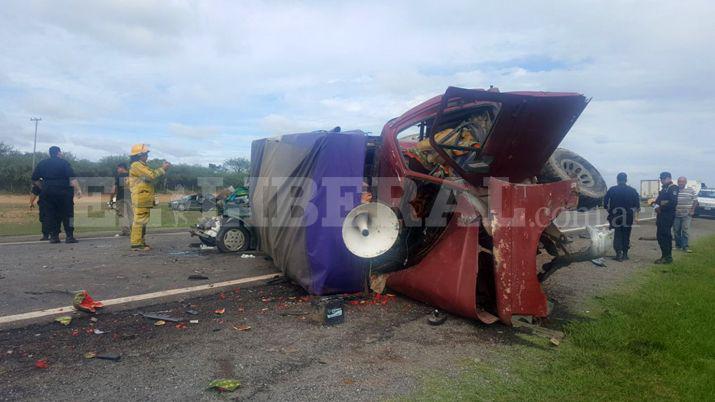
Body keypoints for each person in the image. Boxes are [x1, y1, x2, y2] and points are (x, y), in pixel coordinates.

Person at [31, 146, 82, 243]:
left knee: (51, 214)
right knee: (68, 214)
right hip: (64, 192)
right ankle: (69, 236)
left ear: (50, 153)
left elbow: (34, 179)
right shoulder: (64, 163)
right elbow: (72, 178)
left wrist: (43, 187)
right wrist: (78, 190)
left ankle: (54, 237)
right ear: (59, 153)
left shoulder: (42, 163)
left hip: (47, 192)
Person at [128, 144, 170, 250]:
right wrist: (163, 169)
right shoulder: (136, 165)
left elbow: (150, 178)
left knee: (143, 220)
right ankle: (136, 244)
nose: (147, 156)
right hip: (140, 196)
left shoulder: (142, 165)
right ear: (139, 155)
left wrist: (162, 170)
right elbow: (151, 175)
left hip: (144, 196)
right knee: (140, 220)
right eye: (145, 154)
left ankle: (140, 241)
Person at [603, 172, 640, 261]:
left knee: (617, 235)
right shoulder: (633, 190)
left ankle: (618, 254)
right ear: (626, 180)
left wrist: (610, 211)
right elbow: (637, 206)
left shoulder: (612, 189)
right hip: (628, 217)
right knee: (626, 235)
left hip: (615, 217)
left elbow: (605, 203)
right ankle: (625, 254)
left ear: (617, 180)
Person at [653, 171, 679, 264]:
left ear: (669, 178)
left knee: (665, 236)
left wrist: (661, 207)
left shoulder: (673, 188)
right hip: (661, 215)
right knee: (660, 236)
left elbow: (672, 202)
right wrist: (656, 204)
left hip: (667, 215)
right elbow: (659, 200)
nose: (661, 180)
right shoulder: (664, 188)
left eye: (663, 179)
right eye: (661, 179)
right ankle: (664, 255)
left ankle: (667, 257)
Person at [673, 176, 697, 253]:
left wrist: (692, 211)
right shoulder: (675, 190)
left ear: (685, 182)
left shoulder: (691, 190)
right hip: (676, 214)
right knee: (676, 231)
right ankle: (678, 246)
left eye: (682, 181)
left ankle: (685, 246)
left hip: (687, 214)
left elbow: (695, 201)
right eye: (679, 181)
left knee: (685, 231)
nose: (681, 183)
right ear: (677, 182)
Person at [112, 163, 132, 236]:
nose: (117, 170)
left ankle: (126, 231)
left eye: (118, 168)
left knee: (122, 215)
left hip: (120, 198)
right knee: (131, 214)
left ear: (122, 168)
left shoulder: (119, 176)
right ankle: (134, 230)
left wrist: (111, 198)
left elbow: (114, 189)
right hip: (130, 197)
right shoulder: (131, 175)